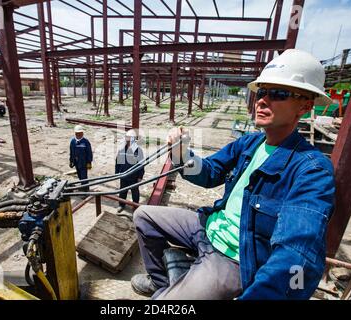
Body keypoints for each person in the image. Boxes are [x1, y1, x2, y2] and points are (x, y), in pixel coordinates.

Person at [130, 49, 336, 300]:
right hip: (209, 227)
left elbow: (297, 253)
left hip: (233, 258)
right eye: (261, 92)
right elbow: (209, 174)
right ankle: (161, 284)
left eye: (278, 94)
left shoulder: (311, 170)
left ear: (304, 106)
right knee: (144, 216)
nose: (262, 100)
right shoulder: (249, 144)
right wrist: (183, 155)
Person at [115, 129, 145, 213]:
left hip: (134, 177)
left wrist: (140, 176)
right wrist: (117, 173)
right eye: (126, 137)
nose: (127, 138)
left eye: (129, 137)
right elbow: (117, 162)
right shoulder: (122, 149)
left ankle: (135, 207)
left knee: (135, 192)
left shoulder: (138, 151)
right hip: (123, 175)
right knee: (122, 191)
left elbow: (141, 165)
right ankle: (121, 205)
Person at [69, 125, 93, 192]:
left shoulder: (85, 142)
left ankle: (85, 191)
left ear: (82, 133)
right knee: (80, 176)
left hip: (84, 163)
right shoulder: (73, 142)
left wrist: (89, 162)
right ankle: (83, 187)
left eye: (80, 133)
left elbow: (89, 153)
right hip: (76, 162)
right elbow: (71, 152)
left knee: (84, 177)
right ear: (75, 133)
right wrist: (71, 161)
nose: (79, 134)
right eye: (77, 133)